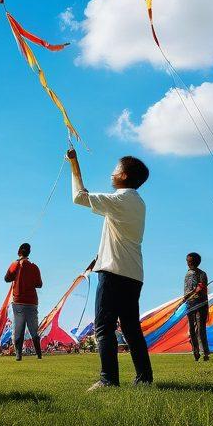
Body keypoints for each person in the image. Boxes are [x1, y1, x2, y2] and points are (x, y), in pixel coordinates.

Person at [67, 148, 153, 390]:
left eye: (115, 170)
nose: (111, 174)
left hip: (114, 273)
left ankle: (108, 380)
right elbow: (118, 235)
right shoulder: (138, 202)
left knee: (104, 327)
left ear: (124, 176)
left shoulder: (120, 200)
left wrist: (74, 164)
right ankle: (144, 378)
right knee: (131, 328)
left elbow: (79, 197)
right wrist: (99, 256)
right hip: (133, 274)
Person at [5, 244, 43, 361]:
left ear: (18, 252)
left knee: (19, 329)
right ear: (29, 253)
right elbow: (39, 284)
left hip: (19, 302)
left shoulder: (15, 265)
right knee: (33, 330)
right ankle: (38, 354)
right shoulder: (34, 267)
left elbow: (7, 278)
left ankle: (18, 355)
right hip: (32, 302)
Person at [183, 252, 209, 362]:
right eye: (188, 261)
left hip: (201, 304)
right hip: (189, 305)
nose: (189, 263)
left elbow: (201, 286)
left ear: (196, 262)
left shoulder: (202, 274)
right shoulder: (187, 274)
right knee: (192, 330)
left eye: (191, 261)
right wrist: (186, 297)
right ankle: (195, 351)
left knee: (201, 329)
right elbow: (186, 289)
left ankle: (205, 353)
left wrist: (197, 290)